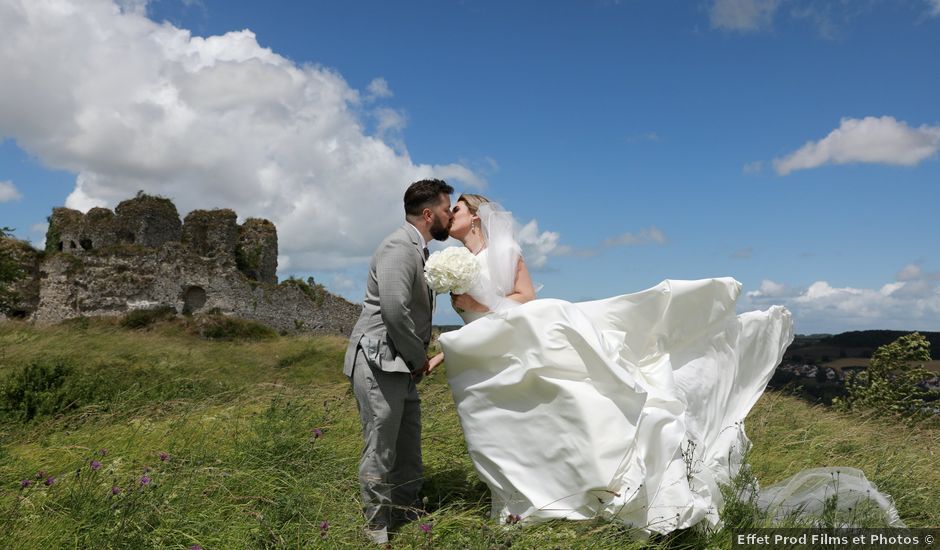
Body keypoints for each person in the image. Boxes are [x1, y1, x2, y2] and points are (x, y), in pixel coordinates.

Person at [431, 195, 902, 534]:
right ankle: (520, 502)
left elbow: (525, 299)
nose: (450, 214)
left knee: (549, 413)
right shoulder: (456, 260)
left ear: (477, 216)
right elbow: (470, 313)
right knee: (503, 422)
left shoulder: (503, 252)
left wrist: (481, 300)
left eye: (457, 208)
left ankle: (564, 498)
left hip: (512, 337)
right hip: (484, 348)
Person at [343, 179, 453, 544]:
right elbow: (393, 309)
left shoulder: (417, 249)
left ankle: (407, 511)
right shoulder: (398, 246)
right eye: (445, 209)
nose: (449, 216)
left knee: (408, 444)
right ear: (427, 214)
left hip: (398, 363)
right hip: (379, 361)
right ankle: (376, 530)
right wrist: (419, 357)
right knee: (381, 446)